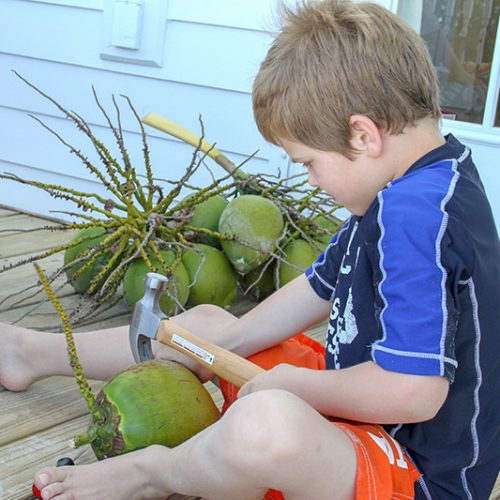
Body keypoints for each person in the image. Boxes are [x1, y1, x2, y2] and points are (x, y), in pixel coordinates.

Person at [1, 0, 499, 498]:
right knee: (204, 329)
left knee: (265, 425)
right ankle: (30, 353)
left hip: (411, 472)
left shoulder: (416, 215)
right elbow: (317, 286)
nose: (310, 179)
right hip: (356, 412)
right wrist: (224, 349)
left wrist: (293, 385)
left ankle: (154, 472)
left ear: (363, 134)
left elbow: (412, 391)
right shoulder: (414, 184)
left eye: (307, 162)